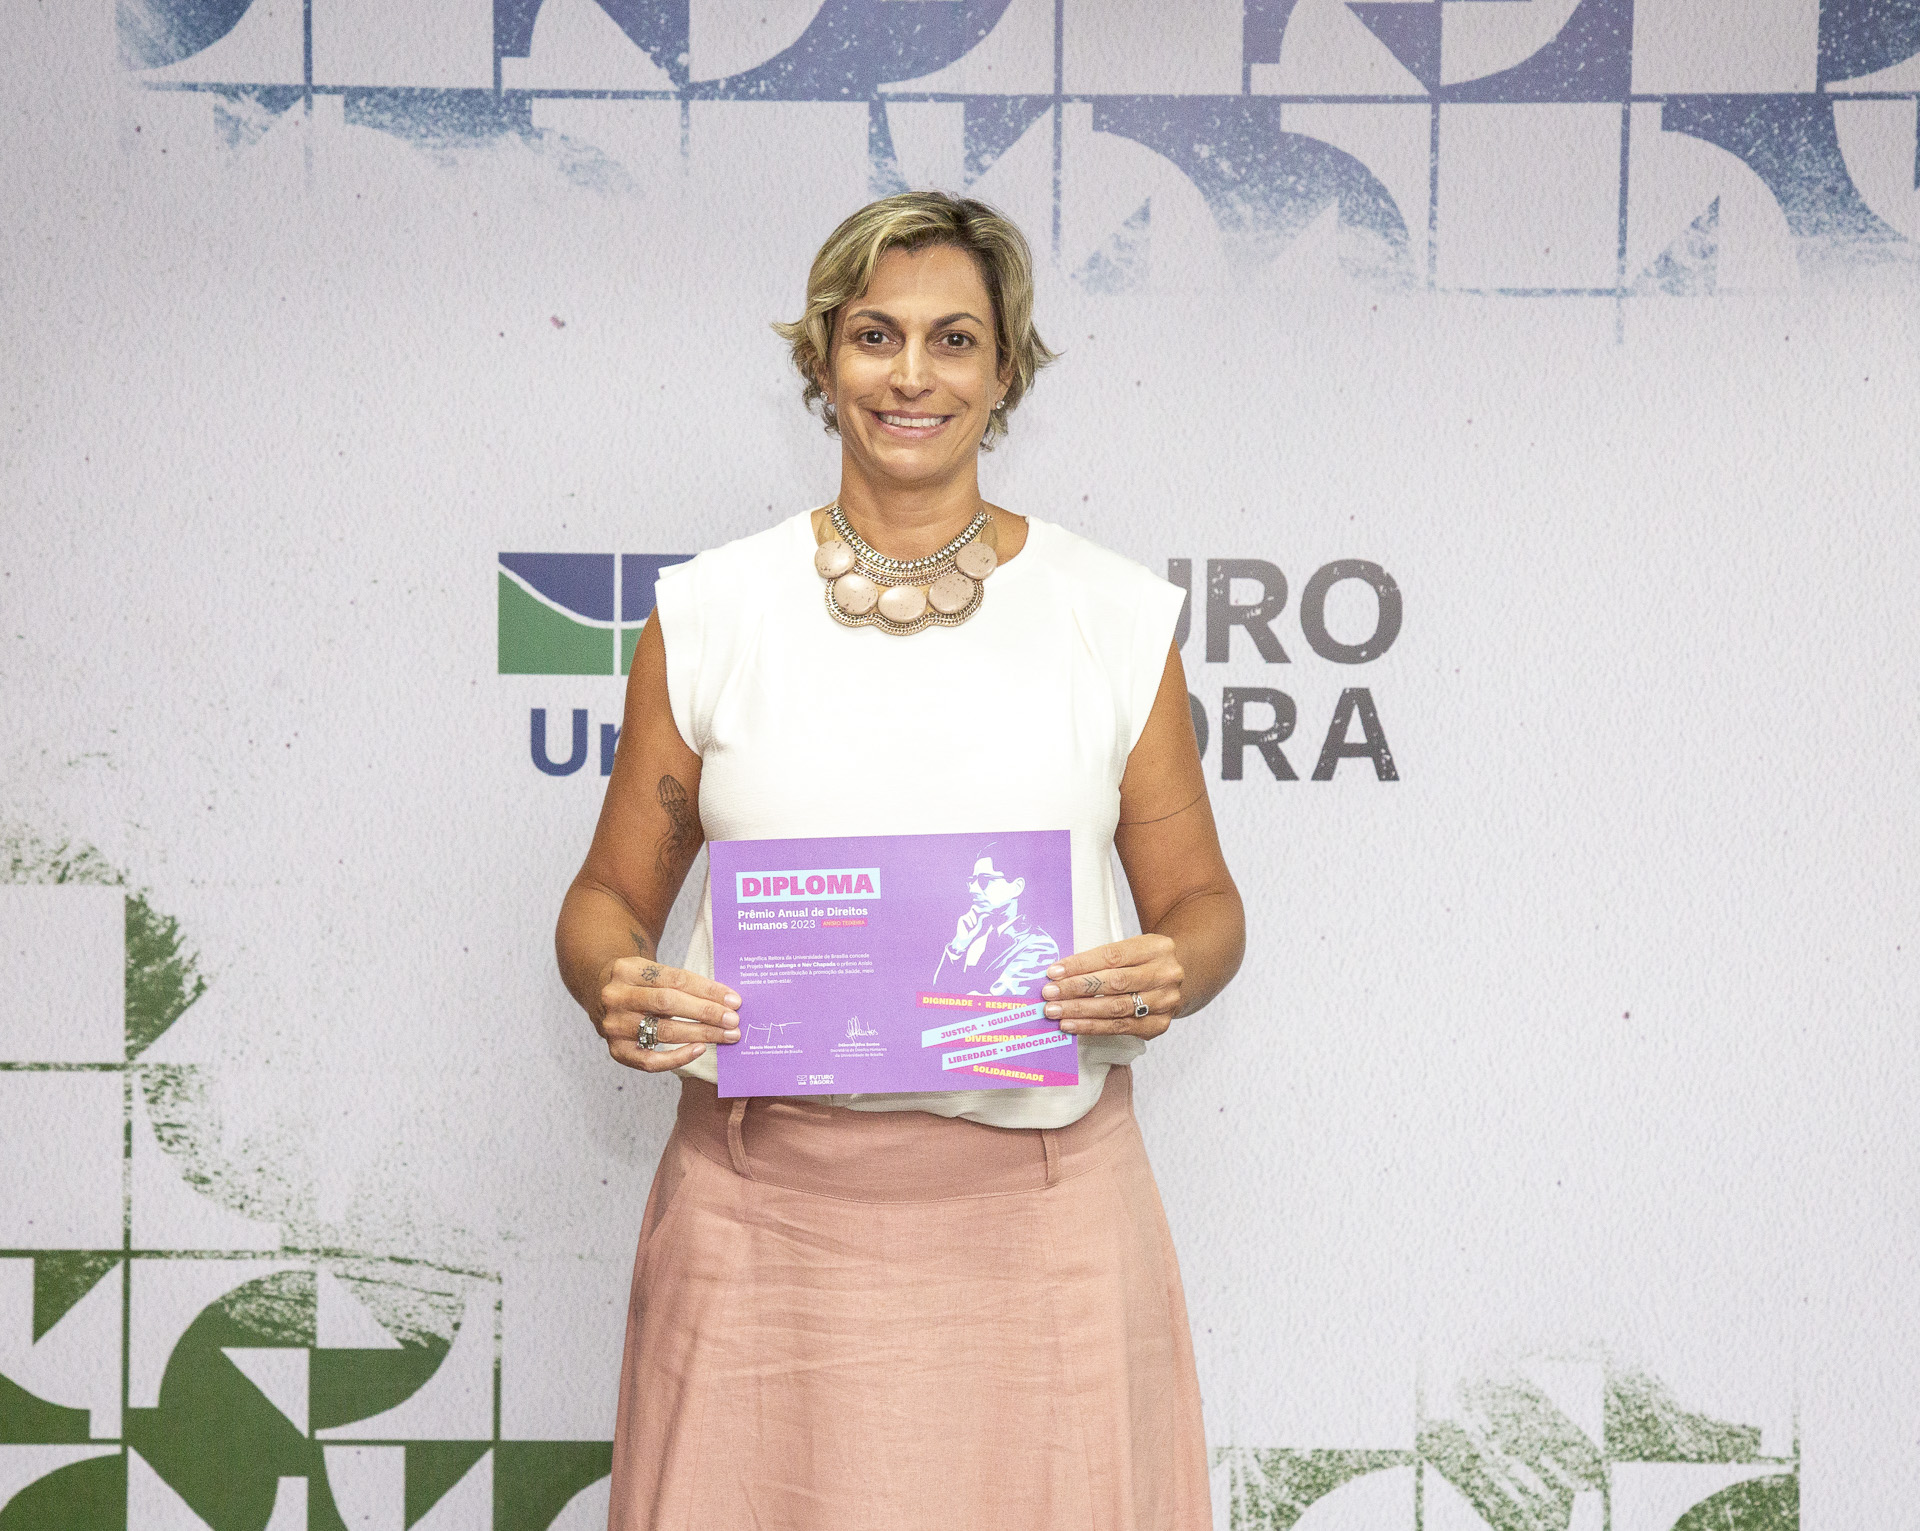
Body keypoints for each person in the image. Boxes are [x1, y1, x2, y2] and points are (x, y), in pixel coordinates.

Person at [555, 190, 1245, 1531]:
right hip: (760, 1218)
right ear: (823, 360)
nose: (912, 375)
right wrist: (614, 979)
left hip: (1045, 1220)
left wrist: (1175, 967)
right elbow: (607, 898)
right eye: (875, 335)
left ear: (1006, 368)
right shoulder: (711, 611)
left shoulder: (1112, 614)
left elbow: (1204, 904)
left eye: (954, 339)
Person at [932, 849, 1059, 996]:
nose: (973, 889)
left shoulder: (1041, 946)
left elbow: (996, 1004)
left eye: (984, 881)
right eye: (971, 881)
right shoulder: (976, 933)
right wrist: (958, 946)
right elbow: (938, 995)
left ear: (1017, 888)